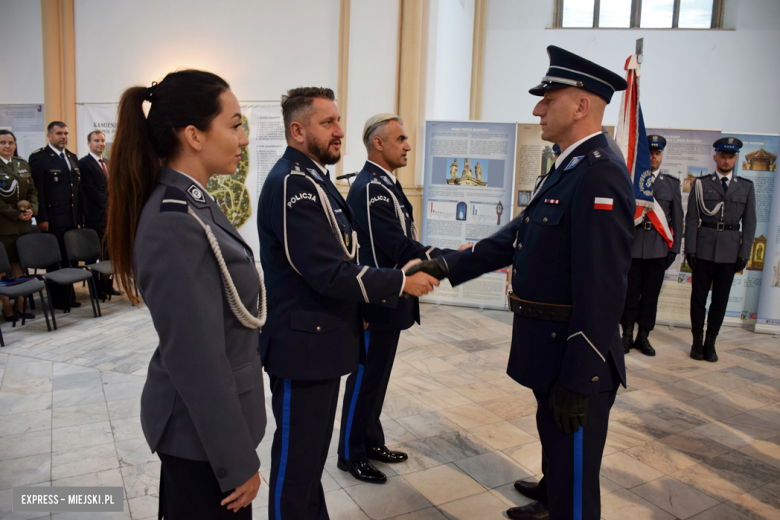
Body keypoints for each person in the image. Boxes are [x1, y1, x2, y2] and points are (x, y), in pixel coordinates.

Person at [408, 46, 634, 520]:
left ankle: (564, 505)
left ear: (580, 106)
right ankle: (552, 499)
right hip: (546, 347)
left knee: (576, 475)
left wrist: (580, 376)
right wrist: (446, 266)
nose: (537, 108)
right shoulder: (570, 165)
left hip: (572, 355)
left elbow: (602, 289)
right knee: (555, 442)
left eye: (548, 98)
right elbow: (518, 235)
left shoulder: (599, 174)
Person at [256, 87, 439, 520]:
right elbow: (327, 270)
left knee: (309, 464)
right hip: (302, 348)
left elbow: (344, 255)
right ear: (297, 130)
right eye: (328, 123)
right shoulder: (292, 184)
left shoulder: (314, 177)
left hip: (321, 342)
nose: (340, 131)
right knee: (295, 468)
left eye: (338, 121)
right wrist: (400, 282)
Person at [107, 70, 266, 519]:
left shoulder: (194, 201)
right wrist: (236, 462)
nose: (243, 138)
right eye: (234, 125)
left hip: (212, 428)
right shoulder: (174, 221)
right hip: (199, 439)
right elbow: (196, 358)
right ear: (194, 135)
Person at [338, 113, 468, 484]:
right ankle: (350, 453)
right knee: (365, 378)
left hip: (391, 300)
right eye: (401, 139)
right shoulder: (371, 187)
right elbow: (397, 246)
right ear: (378, 143)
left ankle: (369, 440)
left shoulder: (386, 184)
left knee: (378, 378)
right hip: (376, 302)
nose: (408, 145)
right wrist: (449, 258)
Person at [685, 137, 756, 362]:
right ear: (715, 157)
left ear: (736, 159)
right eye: (722, 156)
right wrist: (690, 250)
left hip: (730, 252)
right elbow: (692, 218)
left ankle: (710, 341)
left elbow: (751, 223)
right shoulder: (701, 184)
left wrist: (744, 253)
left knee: (720, 300)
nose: (726, 160)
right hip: (704, 249)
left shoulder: (746, 187)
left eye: (730, 157)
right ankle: (697, 340)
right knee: (698, 298)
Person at [620, 135, 682, 356]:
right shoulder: (630, 181)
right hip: (633, 247)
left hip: (657, 249)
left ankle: (643, 336)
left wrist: (674, 250)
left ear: (662, 156)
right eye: (650, 153)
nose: (653, 157)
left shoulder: (672, 184)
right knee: (629, 293)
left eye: (657, 153)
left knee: (650, 296)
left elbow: (678, 219)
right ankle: (626, 334)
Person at [28, 121, 84, 310]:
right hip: (53, 218)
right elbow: (38, 191)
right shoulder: (39, 158)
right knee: (56, 260)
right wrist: (42, 217)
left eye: (66, 133)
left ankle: (69, 296)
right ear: (49, 136)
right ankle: (57, 300)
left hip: (71, 217)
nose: (64, 137)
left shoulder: (72, 157)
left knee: (71, 258)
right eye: (59, 133)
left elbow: (77, 190)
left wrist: (80, 215)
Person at [0, 130, 38, 320]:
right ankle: (6, 309)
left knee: (19, 266)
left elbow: (32, 191)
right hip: (4, 227)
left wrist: (32, 210)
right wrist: (17, 214)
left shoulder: (21, 164)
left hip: (23, 227)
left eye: (10, 142)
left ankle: (20, 307)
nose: (7, 146)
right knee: (2, 269)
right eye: (2, 143)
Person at [78, 130, 117, 299]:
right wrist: (111, 205)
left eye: (102, 140)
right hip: (95, 216)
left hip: (109, 217)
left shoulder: (107, 162)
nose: (100, 144)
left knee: (109, 253)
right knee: (95, 255)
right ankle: (96, 290)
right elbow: (91, 190)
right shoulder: (84, 164)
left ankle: (108, 286)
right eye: (96, 141)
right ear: (89, 143)